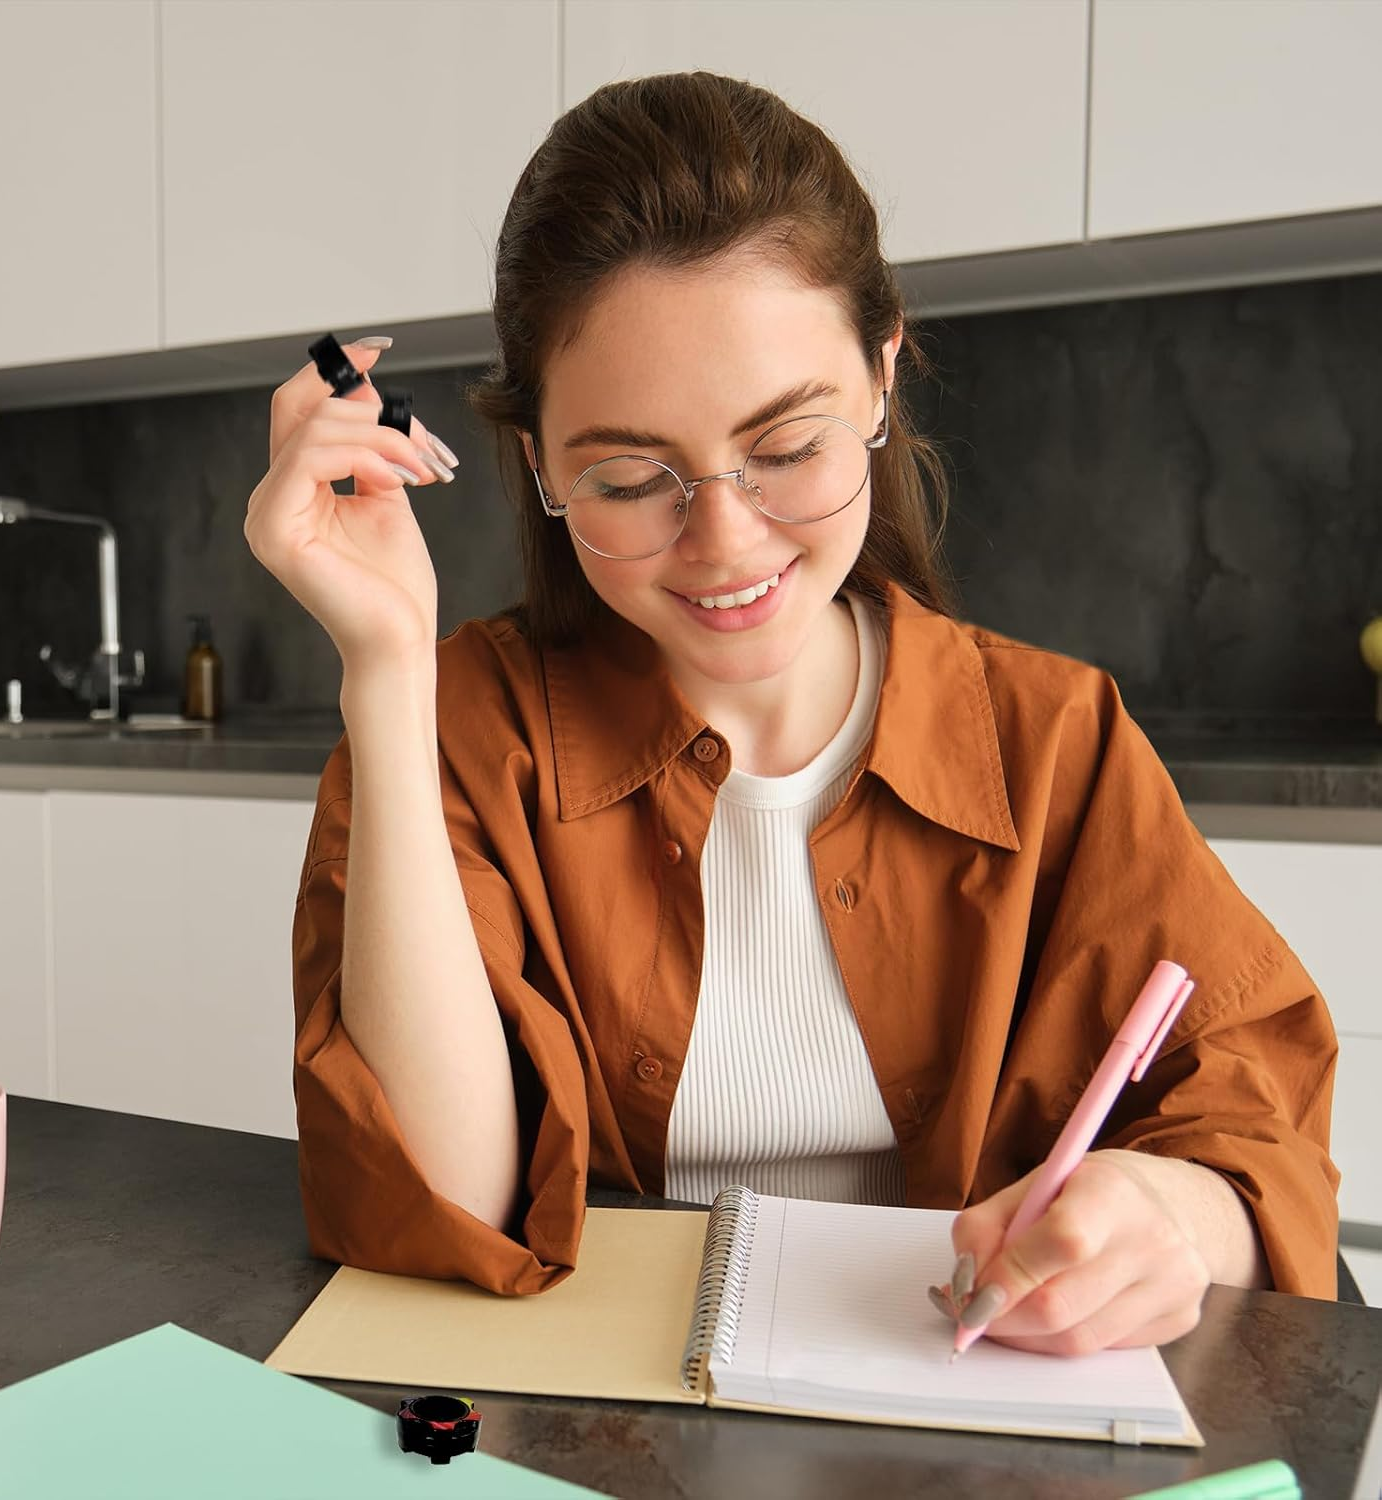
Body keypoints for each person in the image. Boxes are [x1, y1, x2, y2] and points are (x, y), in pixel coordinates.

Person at [244, 72, 1339, 1356]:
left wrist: (1175, 1215)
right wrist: (385, 668)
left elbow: (1252, 1123)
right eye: (628, 475)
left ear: (880, 380)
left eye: (786, 449)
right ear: (538, 462)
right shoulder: (463, 730)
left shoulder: (1053, 738)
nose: (722, 540)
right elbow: (439, 1202)